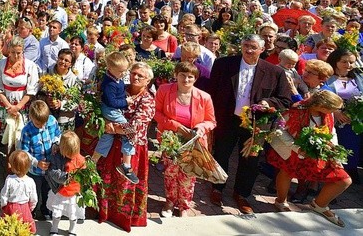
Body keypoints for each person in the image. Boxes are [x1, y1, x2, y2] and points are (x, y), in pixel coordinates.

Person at [206, 34, 292, 214]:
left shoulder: (274, 72)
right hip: (227, 119)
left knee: (250, 161)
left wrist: (269, 103)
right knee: (221, 154)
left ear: (262, 49)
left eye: (253, 47)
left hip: (256, 125)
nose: (248, 50)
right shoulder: (224, 64)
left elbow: (284, 99)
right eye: (246, 45)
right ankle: (217, 188)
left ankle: (242, 194)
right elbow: (211, 92)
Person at [267, 91, 352, 227]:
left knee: (344, 180)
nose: (335, 112)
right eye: (333, 109)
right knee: (287, 172)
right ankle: (280, 201)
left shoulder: (327, 113)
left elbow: (331, 131)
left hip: (320, 151)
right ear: (321, 105)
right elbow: (279, 129)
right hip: (294, 149)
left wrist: (334, 149)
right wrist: (297, 148)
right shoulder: (296, 110)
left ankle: (319, 205)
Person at [95, 62, 156, 228]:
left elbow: (136, 127)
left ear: (148, 80)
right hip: (112, 144)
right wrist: (105, 120)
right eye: (133, 73)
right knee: (106, 179)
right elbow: (103, 106)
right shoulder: (121, 89)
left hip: (131, 149)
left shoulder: (148, 100)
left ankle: (123, 218)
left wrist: (112, 127)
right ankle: (104, 212)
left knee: (124, 183)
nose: (135, 77)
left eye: (140, 76)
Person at [154, 62, 216, 217]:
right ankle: (169, 202)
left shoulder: (204, 97)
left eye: (190, 76)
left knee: (188, 176)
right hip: (171, 140)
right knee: (170, 173)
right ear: (176, 75)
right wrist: (175, 125)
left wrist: (200, 128)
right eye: (182, 75)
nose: (186, 79)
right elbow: (156, 113)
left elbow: (211, 121)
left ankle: (184, 206)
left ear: (195, 79)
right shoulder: (164, 90)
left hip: (192, 142)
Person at [92, 52, 139, 184]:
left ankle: (93, 161)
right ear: (111, 69)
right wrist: (126, 102)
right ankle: (126, 164)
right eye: (121, 71)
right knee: (130, 132)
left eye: (125, 71)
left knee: (108, 135)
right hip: (111, 111)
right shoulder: (109, 84)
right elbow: (112, 102)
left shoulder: (115, 79)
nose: (123, 74)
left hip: (114, 110)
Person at [0, 36, 40, 158]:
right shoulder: (1, 64)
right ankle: (0, 155)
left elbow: (31, 91)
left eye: (19, 53)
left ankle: (17, 160)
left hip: (21, 105)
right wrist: (9, 106)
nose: (16, 56)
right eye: (13, 52)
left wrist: (17, 107)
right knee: (3, 133)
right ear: (8, 50)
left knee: (18, 134)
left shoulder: (30, 66)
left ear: (23, 50)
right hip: (5, 104)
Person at [18, 99, 61, 221]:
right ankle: (32, 212)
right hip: (35, 171)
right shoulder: (27, 131)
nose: (42, 126)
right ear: (31, 117)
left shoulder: (52, 121)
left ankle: (46, 210)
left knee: (48, 191)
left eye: (44, 123)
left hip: (51, 167)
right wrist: (36, 163)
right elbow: (24, 152)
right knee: (34, 193)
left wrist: (56, 144)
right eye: (38, 124)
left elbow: (58, 134)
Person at [325, 48, 363, 184]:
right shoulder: (328, 78)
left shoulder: (358, 77)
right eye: (344, 62)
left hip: (353, 120)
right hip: (335, 118)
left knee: (352, 146)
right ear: (335, 61)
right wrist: (336, 112)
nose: (348, 65)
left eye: (351, 62)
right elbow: (323, 95)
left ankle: (349, 170)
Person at [45, 130, 86, 236]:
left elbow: (84, 169)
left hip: (74, 192)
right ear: (62, 149)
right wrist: (65, 177)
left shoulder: (79, 158)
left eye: (74, 153)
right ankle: (54, 227)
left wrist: (86, 172)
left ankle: (72, 229)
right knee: (57, 212)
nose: (72, 156)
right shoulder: (56, 157)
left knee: (73, 214)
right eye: (69, 154)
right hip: (61, 191)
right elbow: (53, 172)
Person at [0, 149, 38, 233]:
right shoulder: (31, 181)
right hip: (25, 207)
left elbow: (4, 194)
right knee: (26, 226)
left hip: (12, 207)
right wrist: (30, 208)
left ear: (14, 168)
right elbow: (34, 198)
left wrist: (3, 205)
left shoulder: (10, 179)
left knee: (10, 226)